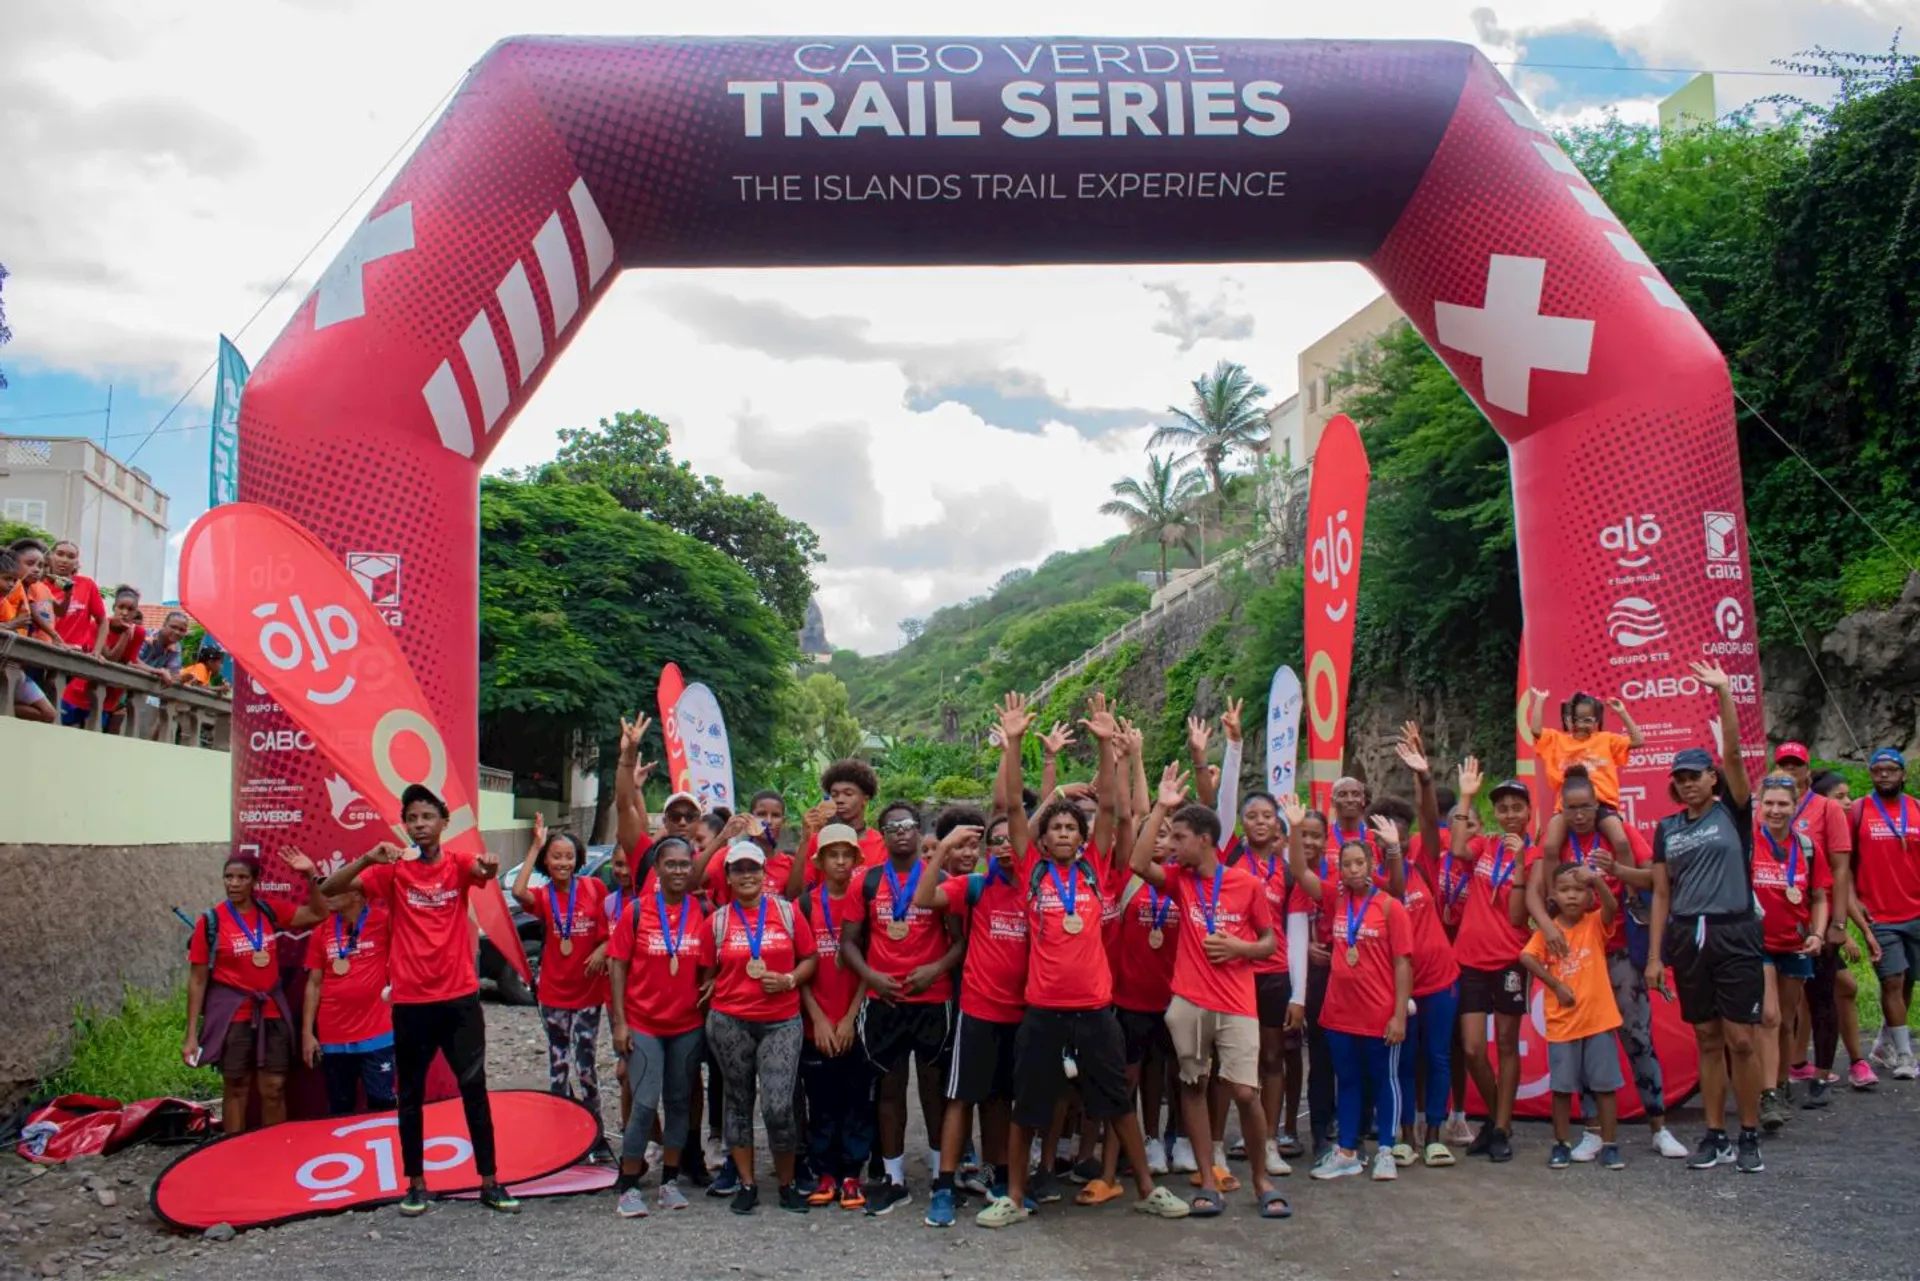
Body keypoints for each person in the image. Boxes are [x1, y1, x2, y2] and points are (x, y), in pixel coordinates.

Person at [975, 696, 1189, 1228]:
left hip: (1096, 1009)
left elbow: (1113, 811)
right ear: (1044, 841)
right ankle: (1017, 1197)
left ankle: (1144, 1188)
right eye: (1058, 829)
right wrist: (1018, 742)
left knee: (1118, 1103)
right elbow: (1016, 811)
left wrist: (1103, 746)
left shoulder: (1097, 871)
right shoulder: (1032, 873)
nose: (1066, 834)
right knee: (1029, 1107)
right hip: (1043, 1009)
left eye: (1073, 828)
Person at [318, 784, 518, 1214]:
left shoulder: (458, 864)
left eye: (427, 817)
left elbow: (482, 873)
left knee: (474, 1089)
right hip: (411, 1001)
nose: (420, 825)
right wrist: (367, 858)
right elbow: (329, 890)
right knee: (409, 1094)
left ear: (444, 823)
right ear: (404, 825)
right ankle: (416, 1184)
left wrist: (488, 866)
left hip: (460, 999)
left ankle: (490, 1181)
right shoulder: (390, 871)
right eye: (412, 818)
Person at [1126, 759, 1285, 1220]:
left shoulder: (1246, 884)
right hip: (1190, 1001)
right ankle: (1208, 1180)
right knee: (1192, 1087)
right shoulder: (1179, 881)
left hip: (1238, 1003)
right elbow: (1137, 862)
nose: (1170, 846)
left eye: (1178, 838)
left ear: (1205, 841)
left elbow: (1270, 941)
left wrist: (1239, 947)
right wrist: (1161, 806)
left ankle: (1261, 1180)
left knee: (1245, 1093)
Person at [1644, 662, 1764, 1173]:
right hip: (1688, 936)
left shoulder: (1731, 810)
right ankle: (1715, 1134)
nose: (1687, 784)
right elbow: (1661, 893)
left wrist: (1724, 695)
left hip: (1734, 929)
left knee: (1741, 1038)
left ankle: (1750, 1132)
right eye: (1680, 778)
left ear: (1712, 778)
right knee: (1708, 1038)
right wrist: (1654, 956)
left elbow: (1735, 753)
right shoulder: (1667, 828)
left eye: (1695, 776)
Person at [1539, 768, 1688, 1160]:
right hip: (1579, 956)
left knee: (1637, 1036)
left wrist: (1614, 871)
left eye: (1586, 806)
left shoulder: (1618, 834)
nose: (1580, 814)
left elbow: (1657, 880)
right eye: (1571, 808)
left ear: (1598, 804)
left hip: (1619, 947)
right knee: (1587, 1042)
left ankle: (1659, 1127)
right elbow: (1540, 889)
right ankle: (1591, 1131)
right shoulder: (1557, 840)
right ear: (1562, 810)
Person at [839, 799, 962, 1215]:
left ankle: (938, 1170)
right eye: (892, 827)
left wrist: (936, 968)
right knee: (889, 1089)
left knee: (933, 1088)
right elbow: (848, 943)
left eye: (909, 825)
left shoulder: (941, 879)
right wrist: (871, 977)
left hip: (931, 998)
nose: (901, 832)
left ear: (920, 830)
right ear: (883, 835)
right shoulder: (866, 882)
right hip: (883, 998)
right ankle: (893, 1177)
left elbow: (960, 941)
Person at [912, 810, 1025, 1227]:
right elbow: (924, 899)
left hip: (1020, 1013)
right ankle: (944, 1184)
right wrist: (942, 848)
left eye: (1011, 838)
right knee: (961, 1097)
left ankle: (998, 1180)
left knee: (1000, 1100)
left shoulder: (1036, 888)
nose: (1004, 846)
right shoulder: (976, 885)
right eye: (995, 841)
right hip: (978, 1009)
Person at [1294, 819, 1413, 1182]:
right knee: (1347, 1082)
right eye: (1346, 864)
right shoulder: (1335, 898)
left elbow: (1403, 963)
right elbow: (1299, 871)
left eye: (1360, 863)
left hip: (1379, 1015)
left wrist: (1399, 1016)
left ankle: (1387, 1151)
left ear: (1372, 866)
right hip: (1339, 1014)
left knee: (1383, 1080)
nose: (1353, 869)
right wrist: (1297, 829)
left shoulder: (1391, 907)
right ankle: (1346, 1151)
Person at [705, 841, 817, 1215]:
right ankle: (747, 1183)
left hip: (781, 1021)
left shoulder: (786, 914)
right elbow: (708, 971)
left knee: (778, 1105)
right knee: (737, 1102)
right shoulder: (718, 921)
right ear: (729, 877)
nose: (747, 875)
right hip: (730, 1021)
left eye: (754, 868)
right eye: (739, 869)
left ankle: (786, 1184)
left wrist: (787, 980)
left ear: (765, 872)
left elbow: (810, 959)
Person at [607, 835, 711, 1218]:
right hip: (643, 1024)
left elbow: (709, 962)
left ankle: (670, 1181)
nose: (679, 870)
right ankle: (630, 1184)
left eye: (685, 864)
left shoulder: (701, 910)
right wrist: (620, 1022)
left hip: (686, 1024)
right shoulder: (636, 912)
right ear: (657, 869)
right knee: (646, 1102)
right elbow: (617, 965)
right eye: (671, 864)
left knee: (681, 1102)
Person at [183, 851, 323, 1134]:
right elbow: (197, 981)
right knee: (236, 1086)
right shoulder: (211, 922)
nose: (234, 884)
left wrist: (310, 874)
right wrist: (190, 1035)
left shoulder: (269, 911)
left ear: (255, 882)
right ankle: (234, 1153)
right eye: (229, 877)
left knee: (274, 1086)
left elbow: (318, 913)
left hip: (272, 1012)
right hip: (233, 1017)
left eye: (242, 878)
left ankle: (275, 1150)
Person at [1448, 758, 1536, 1162]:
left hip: (1510, 961)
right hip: (1469, 960)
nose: (1510, 815)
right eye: (1502, 808)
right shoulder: (1487, 845)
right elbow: (1457, 847)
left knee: (1504, 1043)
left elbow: (1519, 916)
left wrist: (1519, 863)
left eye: (1517, 808)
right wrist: (1466, 795)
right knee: (1470, 1049)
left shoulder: (1536, 857)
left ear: (1529, 812)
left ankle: (1499, 1127)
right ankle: (1500, 1119)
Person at [1383, 732, 1462, 1167]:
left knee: (1436, 1055)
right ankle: (1404, 1134)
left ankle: (1435, 1133)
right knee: (1404, 1059)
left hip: (1440, 979)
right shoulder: (1373, 879)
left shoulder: (1424, 863)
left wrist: (1425, 778)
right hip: (1399, 986)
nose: (1391, 833)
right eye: (1383, 828)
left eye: (1399, 827)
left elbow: (1432, 822)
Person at [511, 816, 612, 1158]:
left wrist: (602, 948)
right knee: (558, 1067)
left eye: (569, 856)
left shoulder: (595, 889)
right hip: (553, 992)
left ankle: (595, 1137)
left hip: (587, 993)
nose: (563, 863)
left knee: (586, 1066)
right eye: (555, 856)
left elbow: (611, 932)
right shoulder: (543, 896)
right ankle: (562, 1139)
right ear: (547, 862)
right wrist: (535, 846)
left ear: (578, 860)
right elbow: (517, 892)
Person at [1519, 863, 1625, 1170]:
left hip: (1599, 1020)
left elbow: (1612, 906)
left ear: (1589, 896)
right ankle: (1561, 1143)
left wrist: (1597, 881)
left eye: (1579, 890)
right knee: (1562, 1088)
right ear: (1553, 894)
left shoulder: (1594, 924)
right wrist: (1556, 985)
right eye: (1565, 890)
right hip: (1563, 1024)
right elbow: (1526, 956)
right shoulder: (1548, 931)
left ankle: (1610, 1144)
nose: (1572, 896)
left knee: (1605, 1086)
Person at [283, 848, 395, 1117]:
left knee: (383, 1105)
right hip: (334, 1036)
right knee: (340, 1108)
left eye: (337, 890)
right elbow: (313, 984)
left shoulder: (384, 921)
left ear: (357, 894)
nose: (329, 895)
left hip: (377, 1033)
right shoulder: (322, 929)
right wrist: (308, 1034)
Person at [796, 824, 873, 1210]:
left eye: (847, 855)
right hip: (817, 1022)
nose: (840, 862)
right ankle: (824, 1171)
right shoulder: (805, 905)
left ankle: (852, 1174)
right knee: (821, 1099)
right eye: (832, 855)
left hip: (855, 1022)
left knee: (857, 1099)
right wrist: (821, 1019)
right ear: (820, 861)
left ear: (857, 860)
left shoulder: (867, 903)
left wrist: (848, 1018)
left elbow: (870, 966)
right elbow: (800, 967)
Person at [1772, 745, 1854, 1102]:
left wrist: (1838, 921)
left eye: (1797, 765)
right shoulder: (1769, 808)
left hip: (1816, 916)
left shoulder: (1827, 808)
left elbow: (1839, 868)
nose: (1790, 770)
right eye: (1784, 764)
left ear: (1808, 771)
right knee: (1781, 1004)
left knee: (1821, 995)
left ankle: (1821, 1074)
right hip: (1778, 917)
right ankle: (1779, 1076)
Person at [1751, 774, 1831, 1130]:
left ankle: (1781, 1084)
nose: (1775, 810)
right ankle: (1767, 1094)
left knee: (1785, 1020)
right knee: (1768, 1017)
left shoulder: (1808, 847)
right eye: (1769, 803)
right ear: (1759, 805)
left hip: (1795, 943)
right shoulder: (1749, 844)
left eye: (1783, 803)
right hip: (1758, 944)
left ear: (1795, 806)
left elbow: (1818, 896)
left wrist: (1818, 932)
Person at [1853, 748, 1920, 1080]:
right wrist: (1853, 902)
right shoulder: (1858, 811)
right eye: (1877, 770)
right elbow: (1843, 864)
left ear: (1903, 774)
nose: (1883, 775)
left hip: (1916, 911)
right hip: (1878, 914)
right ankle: (1907, 1056)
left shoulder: (1917, 809)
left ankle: (1883, 1042)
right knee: (1892, 979)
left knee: (1907, 980)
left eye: (1890, 770)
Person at [1810, 769, 1876, 1094]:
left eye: (1849, 795)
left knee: (1841, 989)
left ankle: (1856, 1061)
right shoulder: (1810, 830)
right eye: (1841, 796)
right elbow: (1827, 887)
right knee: (1831, 991)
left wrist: (1859, 929)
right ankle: (1802, 1065)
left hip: (1830, 927)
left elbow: (1843, 885)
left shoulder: (1840, 828)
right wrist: (1843, 930)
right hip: (1809, 927)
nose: (1848, 802)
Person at [58, 585, 146, 730]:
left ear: (135, 612)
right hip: (79, 690)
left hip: (107, 697)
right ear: (114, 607)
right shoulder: (99, 625)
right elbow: (110, 659)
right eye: (121, 607)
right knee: (62, 731)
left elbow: (127, 662)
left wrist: (156, 670)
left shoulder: (139, 633)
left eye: (130, 610)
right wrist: (124, 635)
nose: (124, 613)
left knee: (92, 740)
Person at [800, 758, 887, 881]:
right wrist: (805, 840)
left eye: (848, 793)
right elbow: (796, 892)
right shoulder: (818, 840)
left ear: (865, 799)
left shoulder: (881, 844)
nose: (839, 800)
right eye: (834, 794)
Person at [0, 549, 56, 723]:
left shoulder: (6, 602)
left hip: (14, 668)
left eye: (14, 580)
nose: (11, 584)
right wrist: (13, 624)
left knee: (49, 713)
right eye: (7, 579)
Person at [44, 539, 106, 655]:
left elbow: (102, 621)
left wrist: (97, 651)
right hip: (46, 651)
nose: (64, 560)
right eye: (60, 554)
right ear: (50, 557)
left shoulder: (87, 585)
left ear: (76, 562)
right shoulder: (39, 586)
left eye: (71, 557)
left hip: (77, 654)